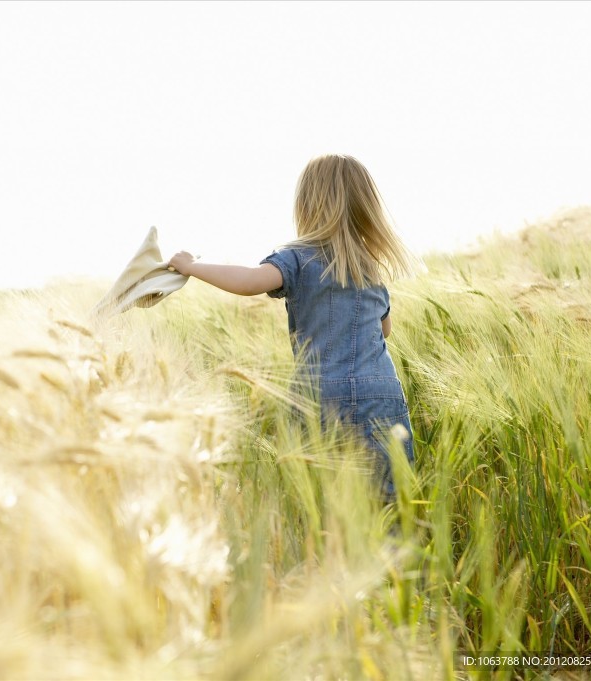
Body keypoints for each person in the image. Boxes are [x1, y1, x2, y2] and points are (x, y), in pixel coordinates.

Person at [168, 154, 417, 500]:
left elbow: (250, 281)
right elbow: (384, 330)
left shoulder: (298, 258)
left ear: (308, 204)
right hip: (381, 394)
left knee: (326, 504)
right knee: (388, 503)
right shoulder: (370, 269)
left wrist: (193, 266)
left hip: (320, 397)